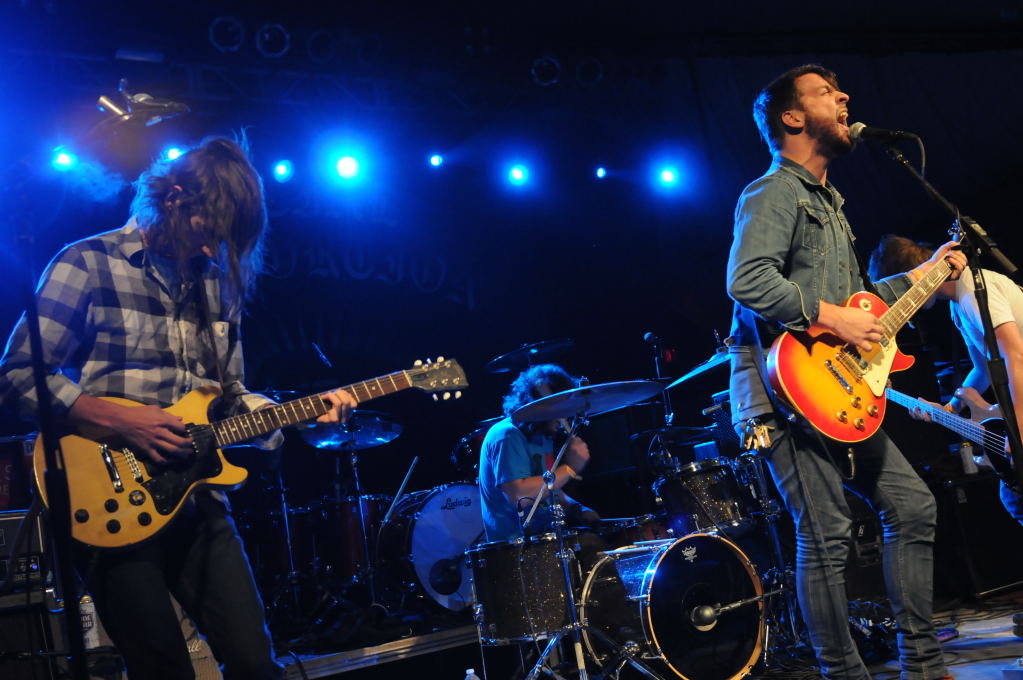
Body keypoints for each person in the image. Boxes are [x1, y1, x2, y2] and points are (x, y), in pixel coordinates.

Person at [0, 136, 356, 679]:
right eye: (207, 229)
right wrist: (123, 419)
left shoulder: (215, 286)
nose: (213, 249)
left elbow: (230, 397)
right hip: (107, 494)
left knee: (255, 663)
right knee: (162, 668)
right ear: (173, 198)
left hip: (197, 496)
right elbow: (16, 375)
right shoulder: (87, 263)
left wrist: (301, 412)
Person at [726, 65, 966, 679]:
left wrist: (925, 276)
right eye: (825, 93)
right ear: (792, 117)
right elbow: (747, 281)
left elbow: (860, 305)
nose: (844, 98)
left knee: (913, 509)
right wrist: (832, 315)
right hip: (782, 393)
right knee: (826, 531)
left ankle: (922, 665)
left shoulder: (831, 203)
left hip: (835, 387)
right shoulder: (772, 192)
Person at [869, 234, 1023, 524]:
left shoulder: (974, 290)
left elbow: (1015, 355)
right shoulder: (958, 305)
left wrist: (1019, 432)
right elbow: (983, 368)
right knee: (1013, 498)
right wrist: (950, 407)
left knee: (1014, 498)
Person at [478, 364, 598, 542]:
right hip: (516, 548)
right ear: (542, 404)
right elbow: (520, 497)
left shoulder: (540, 436)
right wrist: (570, 468)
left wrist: (577, 508)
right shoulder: (507, 435)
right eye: (561, 407)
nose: (564, 416)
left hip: (545, 540)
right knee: (593, 545)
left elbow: (548, 488)